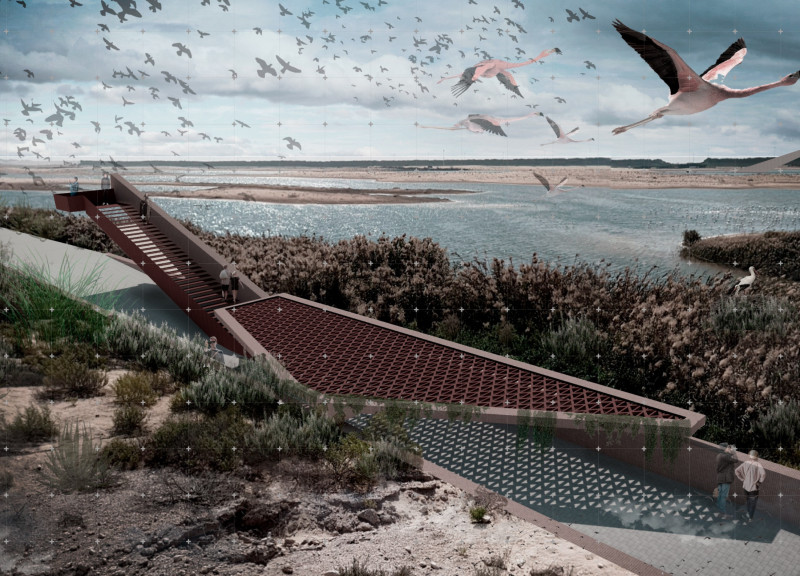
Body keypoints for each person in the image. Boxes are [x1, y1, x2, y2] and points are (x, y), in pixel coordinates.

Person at [735, 450, 766, 522]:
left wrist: (742, 479)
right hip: (753, 488)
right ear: (756, 456)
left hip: (745, 487)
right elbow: (763, 474)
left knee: (748, 501)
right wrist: (759, 482)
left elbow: (736, 470)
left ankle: (748, 514)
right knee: (753, 503)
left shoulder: (745, 463)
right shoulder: (758, 464)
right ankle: (750, 517)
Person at [715, 442, 738, 516]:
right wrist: (734, 451)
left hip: (720, 477)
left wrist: (729, 452)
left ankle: (719, 508)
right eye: (728, 447)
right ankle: (722, 512)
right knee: (723, 496)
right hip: (725, 478)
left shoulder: (719, 455)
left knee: (720, 494)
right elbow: (736, 460)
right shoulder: (725, 456)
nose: (729, 448)